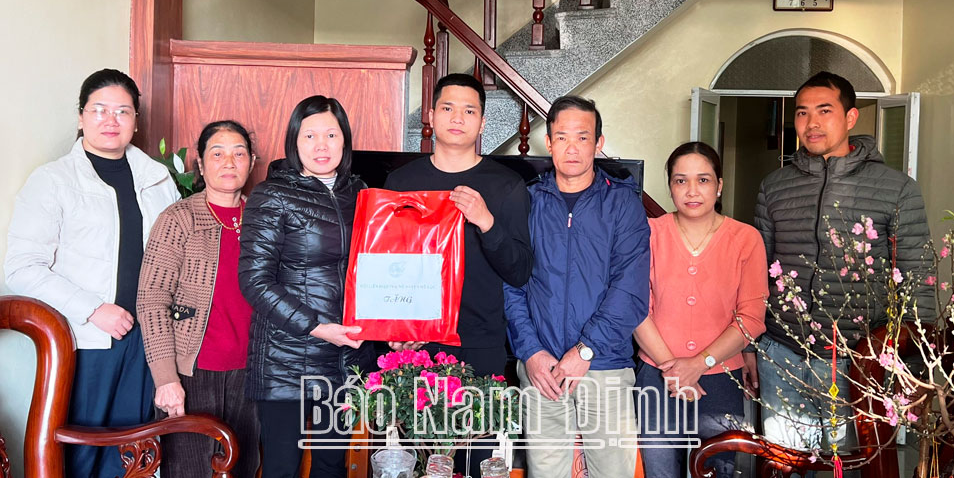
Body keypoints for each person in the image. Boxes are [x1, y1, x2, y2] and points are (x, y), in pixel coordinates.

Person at [4, 69, 179, 477]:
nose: (110, 120)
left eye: (122, 111)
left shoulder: (157, 179)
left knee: (136, 453)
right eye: (99, 109)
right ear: (81, 116)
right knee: (81, 453)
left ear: (136, 121)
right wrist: (93, 309)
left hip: (148, 339)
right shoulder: (52, 180)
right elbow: (22, 267)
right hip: (86, 340)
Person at [751, 71, 933, 452]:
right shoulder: (775, 186)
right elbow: (756, 273)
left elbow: (917, 278)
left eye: (824, 111)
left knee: (852, 464)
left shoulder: (896, 189)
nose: (811, 123)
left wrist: (913, 364)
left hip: (857, 360)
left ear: (850, 117)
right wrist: (751, 346)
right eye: (802, 113)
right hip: (781, 352)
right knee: (783, 464)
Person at [384, 73, 534, 474]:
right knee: (417, 461)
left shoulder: (506, 186)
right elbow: (386, 264)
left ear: (482, 123)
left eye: (469, 111)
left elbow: (520, 270)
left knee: (474, 459)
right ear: (431, 115)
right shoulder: (402, 183)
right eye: (448, 108)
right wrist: (394, 328)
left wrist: (487, 222)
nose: (457, 118)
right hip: (417, 343)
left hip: (480, 342)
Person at [504, 96, 650, 478]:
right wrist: (531, 352)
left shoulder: (623, 204)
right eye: (562, 137)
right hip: (543, 370)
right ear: (549, 143)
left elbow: (631, 290)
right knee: (545, 473)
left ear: (598, 143)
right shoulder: (528, 202)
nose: (572, 148)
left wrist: (585, 351)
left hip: (604, 365)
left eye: (582, 137)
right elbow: (512, 285)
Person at [238, 95, 374, 478]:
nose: (321, 145)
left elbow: (377, 269)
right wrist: (316, 327)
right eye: (310, 135)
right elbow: (254, 281)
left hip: (344, 360)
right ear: (294, 142)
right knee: (282, 467)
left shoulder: (362, 194)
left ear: (345, 140)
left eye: (331, 134)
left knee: (332, 466)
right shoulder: (272, 195)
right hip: (286, 360)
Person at [632, 141, 768, 478]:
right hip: (657, 378)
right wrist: (674, 369)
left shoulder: (746, 239)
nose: (692, 190)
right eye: (681, 180)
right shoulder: (648, 234)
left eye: (703, 180)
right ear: (670, 186)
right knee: (659, 472)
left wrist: (698, 364)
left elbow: (751, 318)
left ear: (719, 186)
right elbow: (636, 309)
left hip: (721, 381)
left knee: (717, 470)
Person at [137, 120, 260, 476]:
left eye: (239, 154)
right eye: (217, 154)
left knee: (245, 468)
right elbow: (151, 299)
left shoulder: (262, 219)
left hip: (250, 374)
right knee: (189, 471)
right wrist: (166, 379)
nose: (229, 162)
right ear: (201, 165)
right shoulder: (178, 219)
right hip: (191, 373)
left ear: (252, 162)